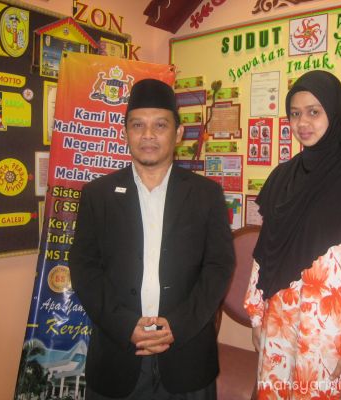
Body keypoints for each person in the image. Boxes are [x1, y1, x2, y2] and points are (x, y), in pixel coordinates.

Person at [70, 78, 235, 400]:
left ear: (178, 133)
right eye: (137, 125)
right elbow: (84, 268)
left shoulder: (206, 194)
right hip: (117, 356)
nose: (148, 134)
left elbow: (219, 266)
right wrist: (124, 325)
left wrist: (179, 325)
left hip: (187, 357)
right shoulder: (97, 195)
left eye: (160, 125)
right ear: (125, 133)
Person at [244, 71, 341, 399]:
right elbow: (265, 252)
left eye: (314, 112)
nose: (302, 122)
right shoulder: (283, 176)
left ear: (334, 112)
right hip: (281, 327)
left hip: (337, 337)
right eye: (295, 113)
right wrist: (257, 317)